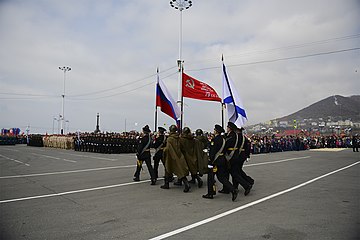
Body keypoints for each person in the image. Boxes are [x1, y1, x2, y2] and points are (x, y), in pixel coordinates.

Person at [203, 124, 239, 201]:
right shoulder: (223, 139)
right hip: (222, 160)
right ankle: (233, 189)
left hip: (215, 161)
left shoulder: (215, 140)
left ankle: (210, 193)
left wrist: (210, 162)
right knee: (222, 177)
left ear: (216, 131)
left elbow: (212, 152)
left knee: (211, 178)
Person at [225, 122, 252, 196]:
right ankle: (238, 185)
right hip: (240, 155)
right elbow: (247, 147)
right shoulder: (243, 137)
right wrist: (247, 155)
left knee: (235, 173)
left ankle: (246, 185)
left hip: (234, 156)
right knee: (237, 171)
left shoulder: (234, 136)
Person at [161, 125, 191, 192]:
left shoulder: (169, 139)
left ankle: (166, 184)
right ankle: (186, 183)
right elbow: (181, 147)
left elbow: (168, 149)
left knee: (167, 169)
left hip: (171, 156)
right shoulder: (179, 138)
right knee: (180, 170)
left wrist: (164, 151)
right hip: (179, 155)